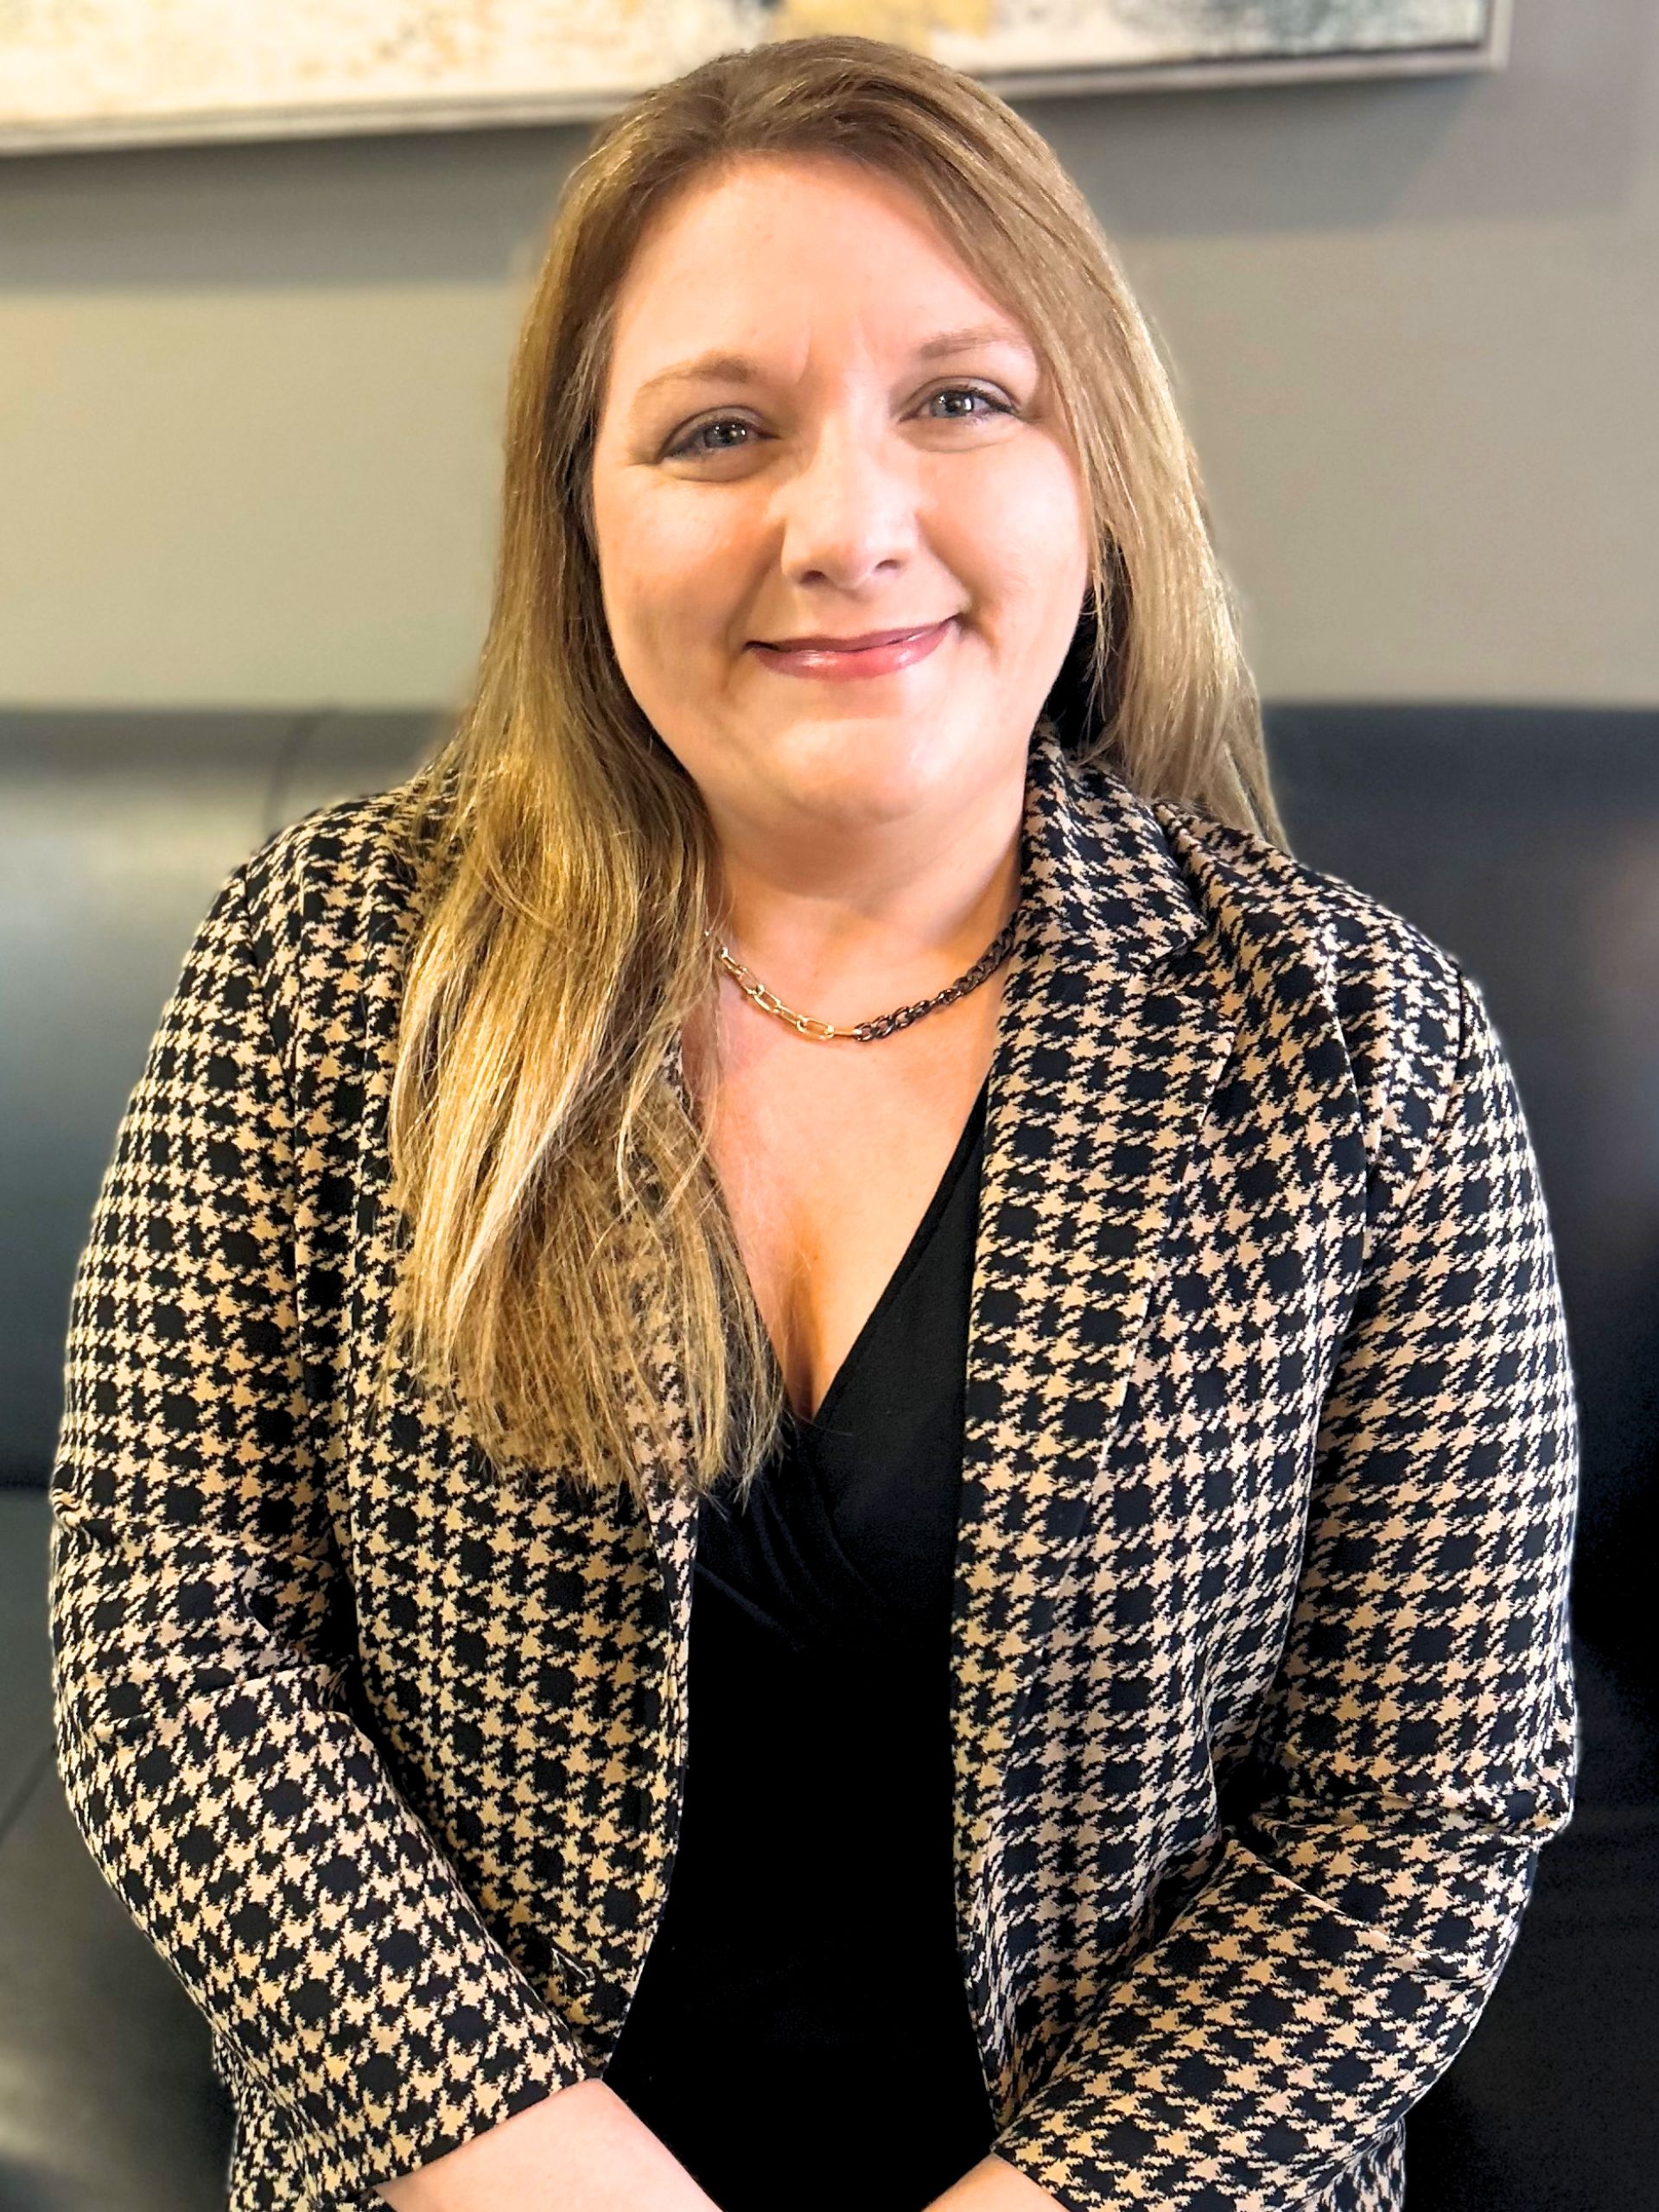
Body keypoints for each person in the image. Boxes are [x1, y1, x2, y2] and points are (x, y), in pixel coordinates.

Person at [47, 31, 1580, 2212]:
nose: (849, 524)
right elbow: (167, 1627)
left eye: (962, 398)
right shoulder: (326, 960)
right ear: (583, 517)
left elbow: (1419, 1804)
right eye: (717, 430)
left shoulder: (1358, 1045)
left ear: (1097, 471)